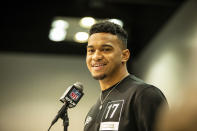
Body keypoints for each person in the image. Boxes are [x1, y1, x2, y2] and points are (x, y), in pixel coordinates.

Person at [84, 20, 168, 131]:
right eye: (91, 50)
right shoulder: (92, 111)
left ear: (124, 55)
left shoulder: (144, 94)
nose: (96, 56)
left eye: (106, 49)